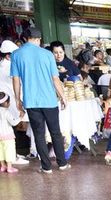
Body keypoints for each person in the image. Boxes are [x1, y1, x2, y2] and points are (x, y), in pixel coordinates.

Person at [11, 27, 71, 173]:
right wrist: (63, 97)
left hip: (31, 101)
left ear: (25, 38)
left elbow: (16, 80)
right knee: (55, 132)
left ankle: (46, 167)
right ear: (38, 39)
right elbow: (55, 79)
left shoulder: (16, 54)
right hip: (49, 100)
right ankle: (62, 164)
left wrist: (18, 100)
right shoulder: (47, 54)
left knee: (39, 134)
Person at [0, 92, 22, 173]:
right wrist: (20, 117)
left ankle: (2, 166)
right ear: (6, 103)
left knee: (0, 151)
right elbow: (14, 123)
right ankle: (9, 167)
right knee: (9, 150)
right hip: (7, 136)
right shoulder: (6, 112)